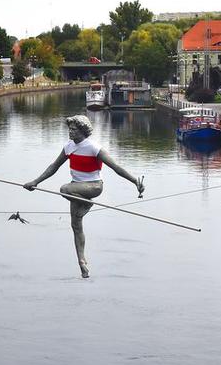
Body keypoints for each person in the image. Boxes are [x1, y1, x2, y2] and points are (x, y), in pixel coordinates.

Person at [23, 115, 144, 278]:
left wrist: (135, 181)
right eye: (69, 129)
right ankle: (82, 262)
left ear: (83, 131)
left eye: (74, 129)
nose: (70, 132)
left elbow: (116, 167)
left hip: (93, 187)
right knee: (75, 225)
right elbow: (53, 167)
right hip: (76, 188)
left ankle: (87, 203)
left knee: (64, 189)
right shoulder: (68, 147)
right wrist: (35, 182)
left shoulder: (94, 148)